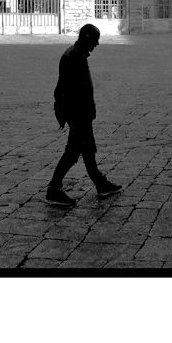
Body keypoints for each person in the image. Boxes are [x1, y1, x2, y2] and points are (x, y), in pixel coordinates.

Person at [46, 24, 123, 207]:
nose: (96, 44)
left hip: (82, 113)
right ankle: (53, 189)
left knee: (88, 150)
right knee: (72, 153)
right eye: (95, 39)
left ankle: (101, 184)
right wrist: (67, 113)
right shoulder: (73, 57)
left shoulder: (76, 55)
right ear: (86, 37)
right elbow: (66, 89)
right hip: (78, 114)